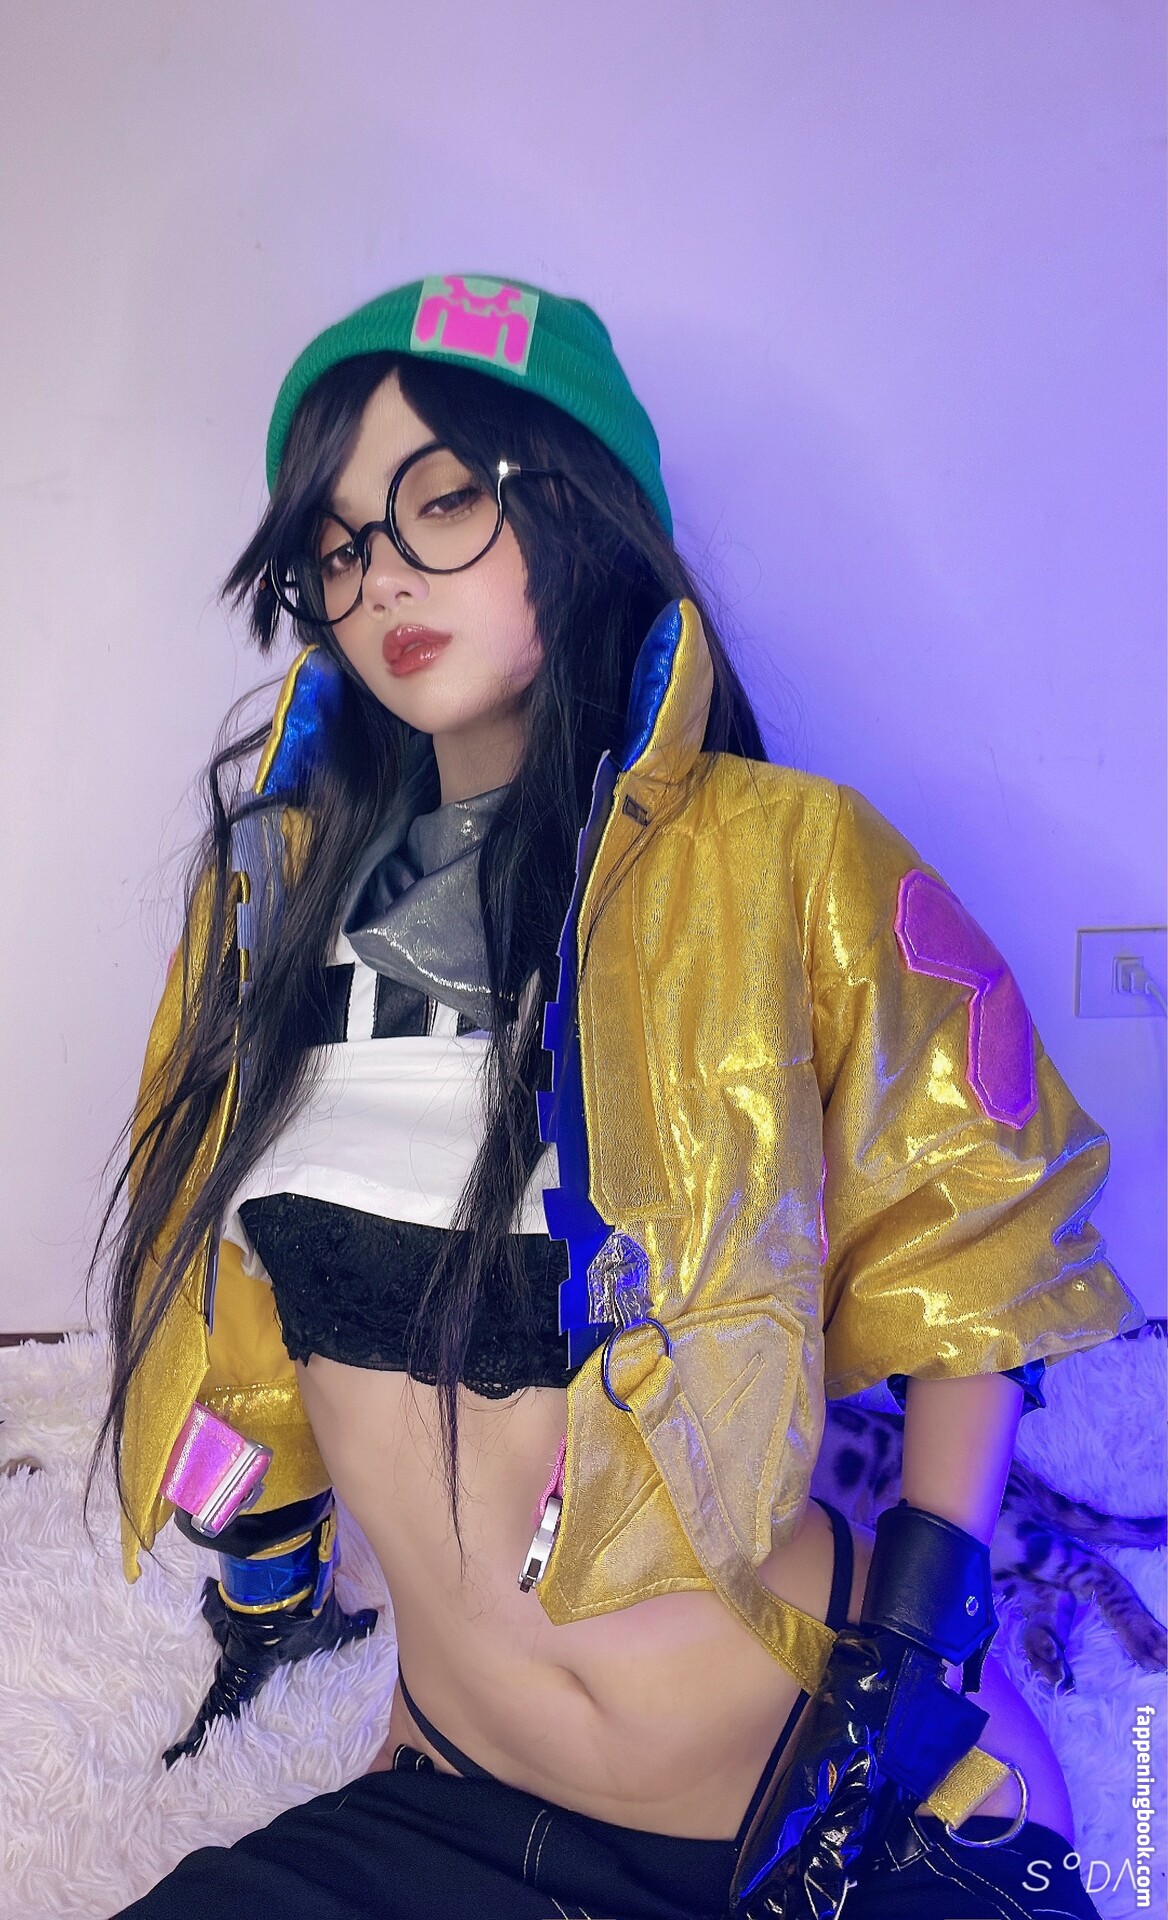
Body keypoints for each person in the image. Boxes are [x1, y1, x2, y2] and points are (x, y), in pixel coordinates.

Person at [93, 272, 1141, 1920]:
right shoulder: (268, 911)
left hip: (836, 1788)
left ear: (577, 508)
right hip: (453, 1806)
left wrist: (916, 1656)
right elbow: (241, 1302)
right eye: (338, 543)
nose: (381, 578)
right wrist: (265, 1563)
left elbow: (977, 1240)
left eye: (444, 499)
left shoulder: (786, 859)